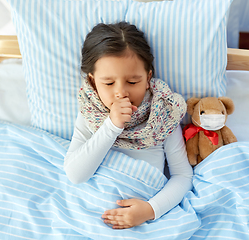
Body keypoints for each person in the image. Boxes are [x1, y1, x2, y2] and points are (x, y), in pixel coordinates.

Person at [64, 21, 193, 229]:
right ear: (93, 81)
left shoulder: (162, 115)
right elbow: (75, 174)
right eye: (108, 83)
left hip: (144, 218)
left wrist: (151, 210)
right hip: (91, 213)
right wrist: (111, 126)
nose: (121, 92)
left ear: (148, 77)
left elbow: (183, 175)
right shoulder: (90, 113)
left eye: (133, 82)